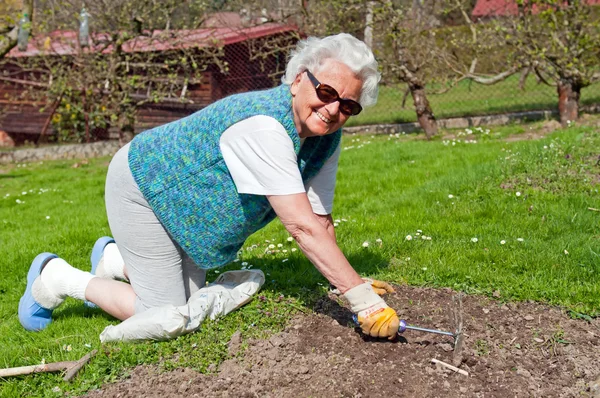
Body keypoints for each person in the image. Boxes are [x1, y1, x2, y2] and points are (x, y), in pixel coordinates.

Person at [18, 33, 400, 340]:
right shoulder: (265, 125)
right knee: (163, 314)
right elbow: (300, 228)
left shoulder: (325, 139)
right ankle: (57, 277)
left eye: (348, 106)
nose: (334, 110)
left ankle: (114, 260)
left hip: (185, 209)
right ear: (300, 78)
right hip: (146, 187)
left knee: (189, 299)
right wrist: (361, 300)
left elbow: (319, 219)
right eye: (327, 92)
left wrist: (346, 283)